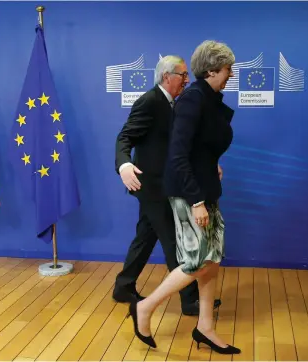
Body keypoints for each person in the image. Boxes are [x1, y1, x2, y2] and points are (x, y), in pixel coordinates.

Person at [126, 40, 240, 355]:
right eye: (228, 68)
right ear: (213, 69)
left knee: (211, 261)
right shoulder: (193, 100)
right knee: (194, 261)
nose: (231, 73)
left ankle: (204, 326)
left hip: (203, 188)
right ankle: (145, 307)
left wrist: (210, 162)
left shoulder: (208, 99)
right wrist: (197, 201)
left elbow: (196, 146)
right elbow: (177, 155)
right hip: (191, 194)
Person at [114, 55, 221, 316]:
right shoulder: (149, 101)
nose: (187, 80)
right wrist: (124, 165)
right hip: (151, 186)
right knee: (174, 241)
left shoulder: (173, 102)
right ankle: (189, 300)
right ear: (166, 77)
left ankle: (123, 286)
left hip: (165, 184)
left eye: (186, 75)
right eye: (182, 75)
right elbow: (125, 136)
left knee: (145, 236)